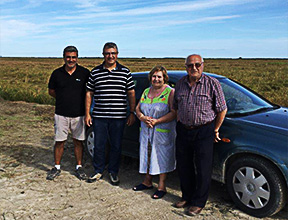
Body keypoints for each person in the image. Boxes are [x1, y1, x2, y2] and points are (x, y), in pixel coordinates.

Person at [173, 54, 227, 215]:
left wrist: (215, 129)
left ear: (202, 65)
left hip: (204, 130)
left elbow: (222, 109)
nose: (194, 68)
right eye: (190, 65)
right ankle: (187, 196)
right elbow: (176, 106)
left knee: (203, 168)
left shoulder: (212, 84)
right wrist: (179, 122)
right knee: (184, 165)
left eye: (197, 64)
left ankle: (198, 202)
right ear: (186, 67)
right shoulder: (180, 83)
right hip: (183, 129)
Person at [85, 42, 136, 185]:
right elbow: (89, 93)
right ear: (103, 55)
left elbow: (131, 93)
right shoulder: (95, 72)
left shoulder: (125, 72)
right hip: (99, 116)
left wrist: (131, 112)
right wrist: (88, 113)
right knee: (99, 145)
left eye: (113, 53)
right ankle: (98, 171)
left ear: (117, 54)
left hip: (118, 117)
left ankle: (113, 172)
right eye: (107, 53)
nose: (110, 56)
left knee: (116, 146)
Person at [46, 46, 90, 181]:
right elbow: (51, 91)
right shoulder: (57, 73)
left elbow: (89, 92)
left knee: (78, 142)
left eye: (73, 57)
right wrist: (63, 99)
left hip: (79, 114)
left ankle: (79, 167)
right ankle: (57, 167)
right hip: (61, 114)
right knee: (59, 141)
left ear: (77, 57)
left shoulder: (84, 73)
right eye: (68, 57)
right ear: (64, 57)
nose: (71, 60)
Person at [133, 65, 176, 199]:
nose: (156, 79)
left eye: (159, 77)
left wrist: (157, 121)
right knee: (147, 155)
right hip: (146, 132)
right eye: (154, 76)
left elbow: (174, 113)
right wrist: (141, 117)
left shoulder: (170, 92)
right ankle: (147, 181)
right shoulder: (146, 91)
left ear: (164, 78)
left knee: (161, 157)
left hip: (162, 132)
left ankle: (162, 186)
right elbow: (138, 108)